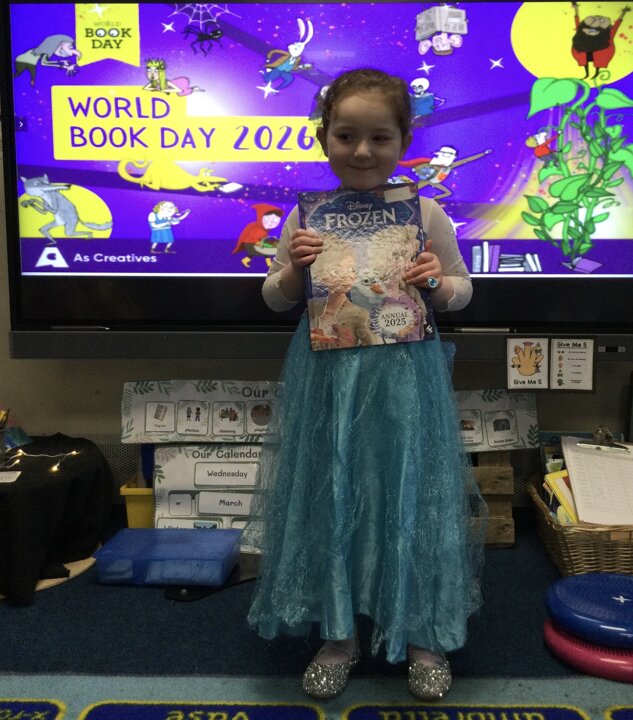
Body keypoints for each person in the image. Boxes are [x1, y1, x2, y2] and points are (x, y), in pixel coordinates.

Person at [245, 68, 487, 701]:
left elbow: (461, 290)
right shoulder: (307, 215)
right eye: (346, 135)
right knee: (333, 493)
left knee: (412, 495)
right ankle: (338, 635)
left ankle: (424, 634)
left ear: (403, 140)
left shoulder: (424, 211)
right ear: (324, 138)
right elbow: (274, 297)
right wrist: (293, 271)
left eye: (380, 138)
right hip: (329, 380)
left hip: (405, 379)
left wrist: (436, 281)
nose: (361, 151)